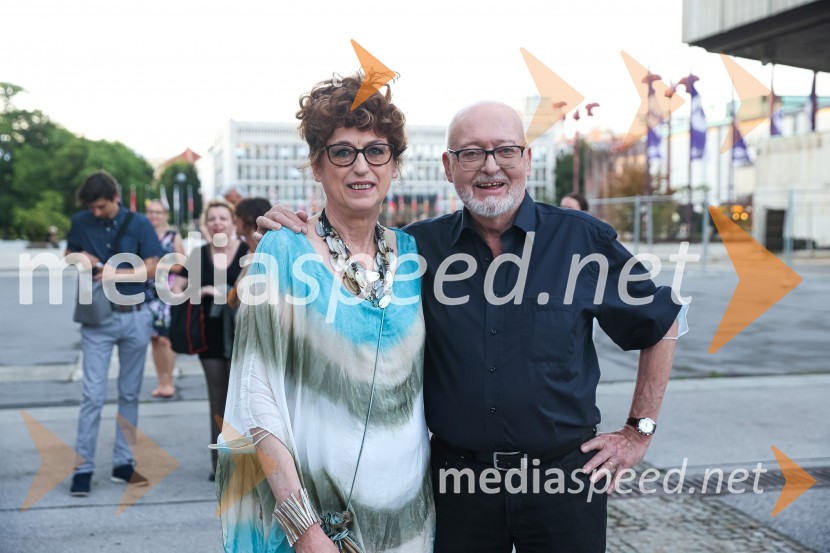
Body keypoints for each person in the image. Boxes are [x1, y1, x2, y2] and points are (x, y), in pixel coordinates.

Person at [261, 100, 685, 552]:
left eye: (504, 150)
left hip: (564, 482)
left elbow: (660, 322)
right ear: (448, 166)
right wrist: (294, 234)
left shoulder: (582, 241)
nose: (489, 167)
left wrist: (638, 431)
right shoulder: (415, 250)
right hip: (457, 489)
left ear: (526, 159)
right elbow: (346, 254)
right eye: (471, 153)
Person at [216, 73, 434, 553]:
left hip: (407, 519)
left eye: (376, 151)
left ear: (394, 165)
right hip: (314, 523)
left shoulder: (415, 254)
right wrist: (305, 530)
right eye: (342, 152)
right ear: (317, 166)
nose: (361, 166)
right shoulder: (282, 251)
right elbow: (258, 397)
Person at [66, 170, 163, 497]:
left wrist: (114, 271)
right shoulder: (80, 221)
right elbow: (69, 254)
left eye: (102, 207)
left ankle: (123, 461)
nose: (96, 213)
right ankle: (83, 467)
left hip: (135, 316)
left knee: (130, 393)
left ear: (116, 199)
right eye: (92, 208)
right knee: (92, 395)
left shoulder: (138, 223)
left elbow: (154, 265)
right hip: (98, 320)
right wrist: (81, 258)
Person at [174, 199, 248, 480]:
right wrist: (199, 289)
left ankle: (244, 463)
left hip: (242, 334)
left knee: (242, 400)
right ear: (207, 225)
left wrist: (227, 291)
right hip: (211, 337)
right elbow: (176, 288)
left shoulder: (245, 252)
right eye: (212, 219)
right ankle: (219, 464)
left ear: (233, 223)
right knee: (218, 399)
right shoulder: (199, 253)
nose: (218, 222)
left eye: (223, 218)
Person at [145, 200, 185, 398]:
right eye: (151, 212)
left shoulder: (173, 236)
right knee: (153, 338)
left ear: (165, 215)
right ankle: (161, 380)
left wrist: (158, 266)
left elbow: (181, 264)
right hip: (147, 292)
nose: (154, 216)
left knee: (165, 338)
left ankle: (168, 380)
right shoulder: (143, 235)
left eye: (158, 212)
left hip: (167, 290)